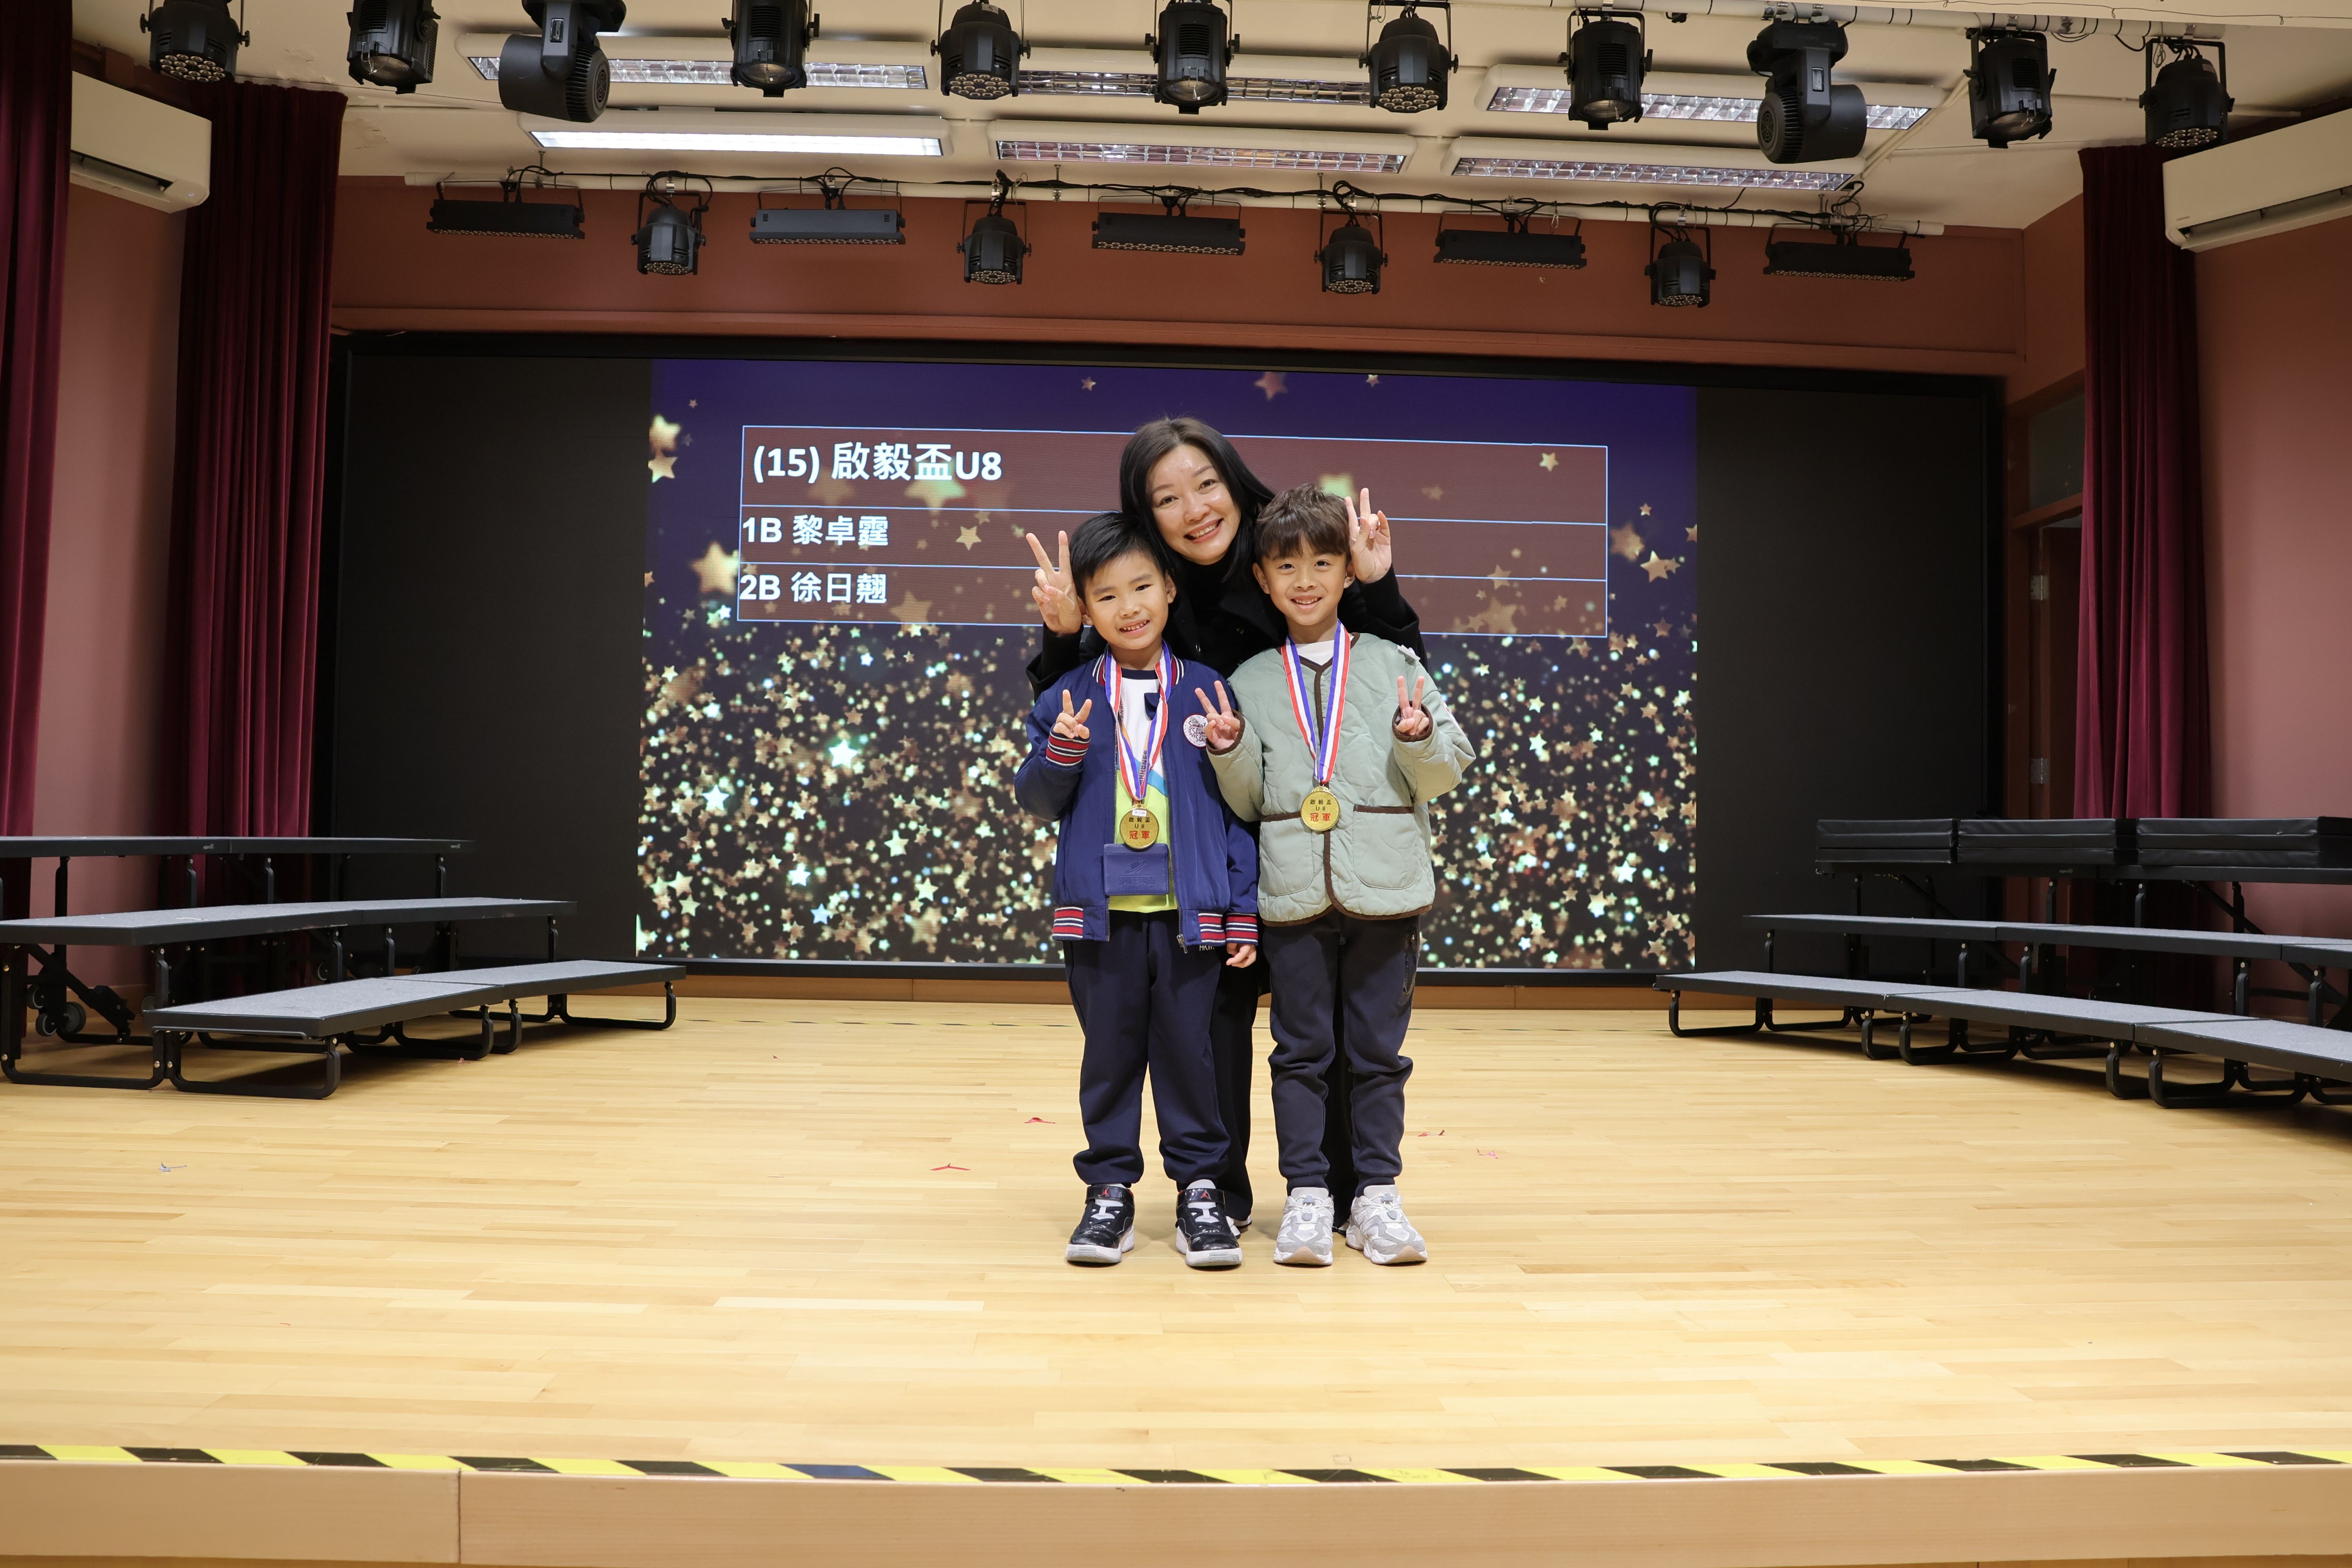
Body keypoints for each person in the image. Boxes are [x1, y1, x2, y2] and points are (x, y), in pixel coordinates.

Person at [1024, 416, 1426, 1228]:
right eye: (1167, 497)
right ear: (1145, 514)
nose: (1195, 508)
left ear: (1234, 481)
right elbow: (1082, 711)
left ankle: (1348, 1194)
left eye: (1206, 484)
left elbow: (1389, 679)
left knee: (1334, 1032)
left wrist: (1378, 584)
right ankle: (1217, 1194)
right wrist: (1063, 633)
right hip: (1209, 863)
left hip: (1309, 849)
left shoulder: (1289, 555)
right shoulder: (1142, 585)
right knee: (1217, 1026)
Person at [1195, 485, 1473, 1267]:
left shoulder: (1394, 663)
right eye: (1287, 567)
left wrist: (1416, 736)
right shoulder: (1252, 679)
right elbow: (1249, 799)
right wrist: (1229, 750)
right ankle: (1308, 1197)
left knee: (1378, 1056)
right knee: (1300, 1053)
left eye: (1322, 562)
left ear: (1350, 571)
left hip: (1385, 890)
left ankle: (1377, 1195)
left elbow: (1447, 772)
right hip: (1292, 896)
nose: (1306, 580)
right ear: (1263, 579)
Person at [1013, 511, 1261, 1270]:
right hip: (1099, 919)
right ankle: (1109, 1191)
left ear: (1170, 589)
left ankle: (1201, 1192)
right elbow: (1036, 799)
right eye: (1108, 595)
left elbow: (1237, 810)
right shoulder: (1068, 696)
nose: (1130, 607)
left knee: (1191, 1057)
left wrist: (1241, 907)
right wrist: (1060, 753)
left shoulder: (1209, 691)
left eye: (1143, 586)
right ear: (1084, 611)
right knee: (1110, 1057)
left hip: (1191, 916)